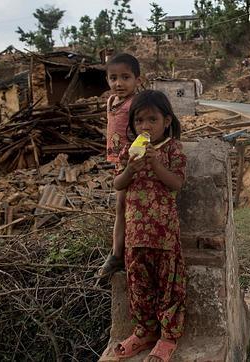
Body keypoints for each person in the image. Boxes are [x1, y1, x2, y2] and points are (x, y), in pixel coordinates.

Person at [113, 90, 186, 361]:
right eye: (139, 121)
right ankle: (144, 332)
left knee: (169, 287)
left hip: (164, 234)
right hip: (136, 234)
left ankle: (168, 336)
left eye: (152, 120)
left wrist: (155, 162)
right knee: (139, 285)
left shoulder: (172, 149)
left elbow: (176, 183)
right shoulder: (127, 152)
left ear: (166, 121)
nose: (145, 126)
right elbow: (118, 184)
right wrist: (130, 169)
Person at [98, 53, 142, 279]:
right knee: (121, 207)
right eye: (113, 78)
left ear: (137, 79)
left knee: (128, 207)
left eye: (125, 77)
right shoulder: (111, 102)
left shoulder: (137, 103)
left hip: (136, 163)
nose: (118, 83)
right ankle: (118, 254)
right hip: (119, 164)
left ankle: (122, 255)